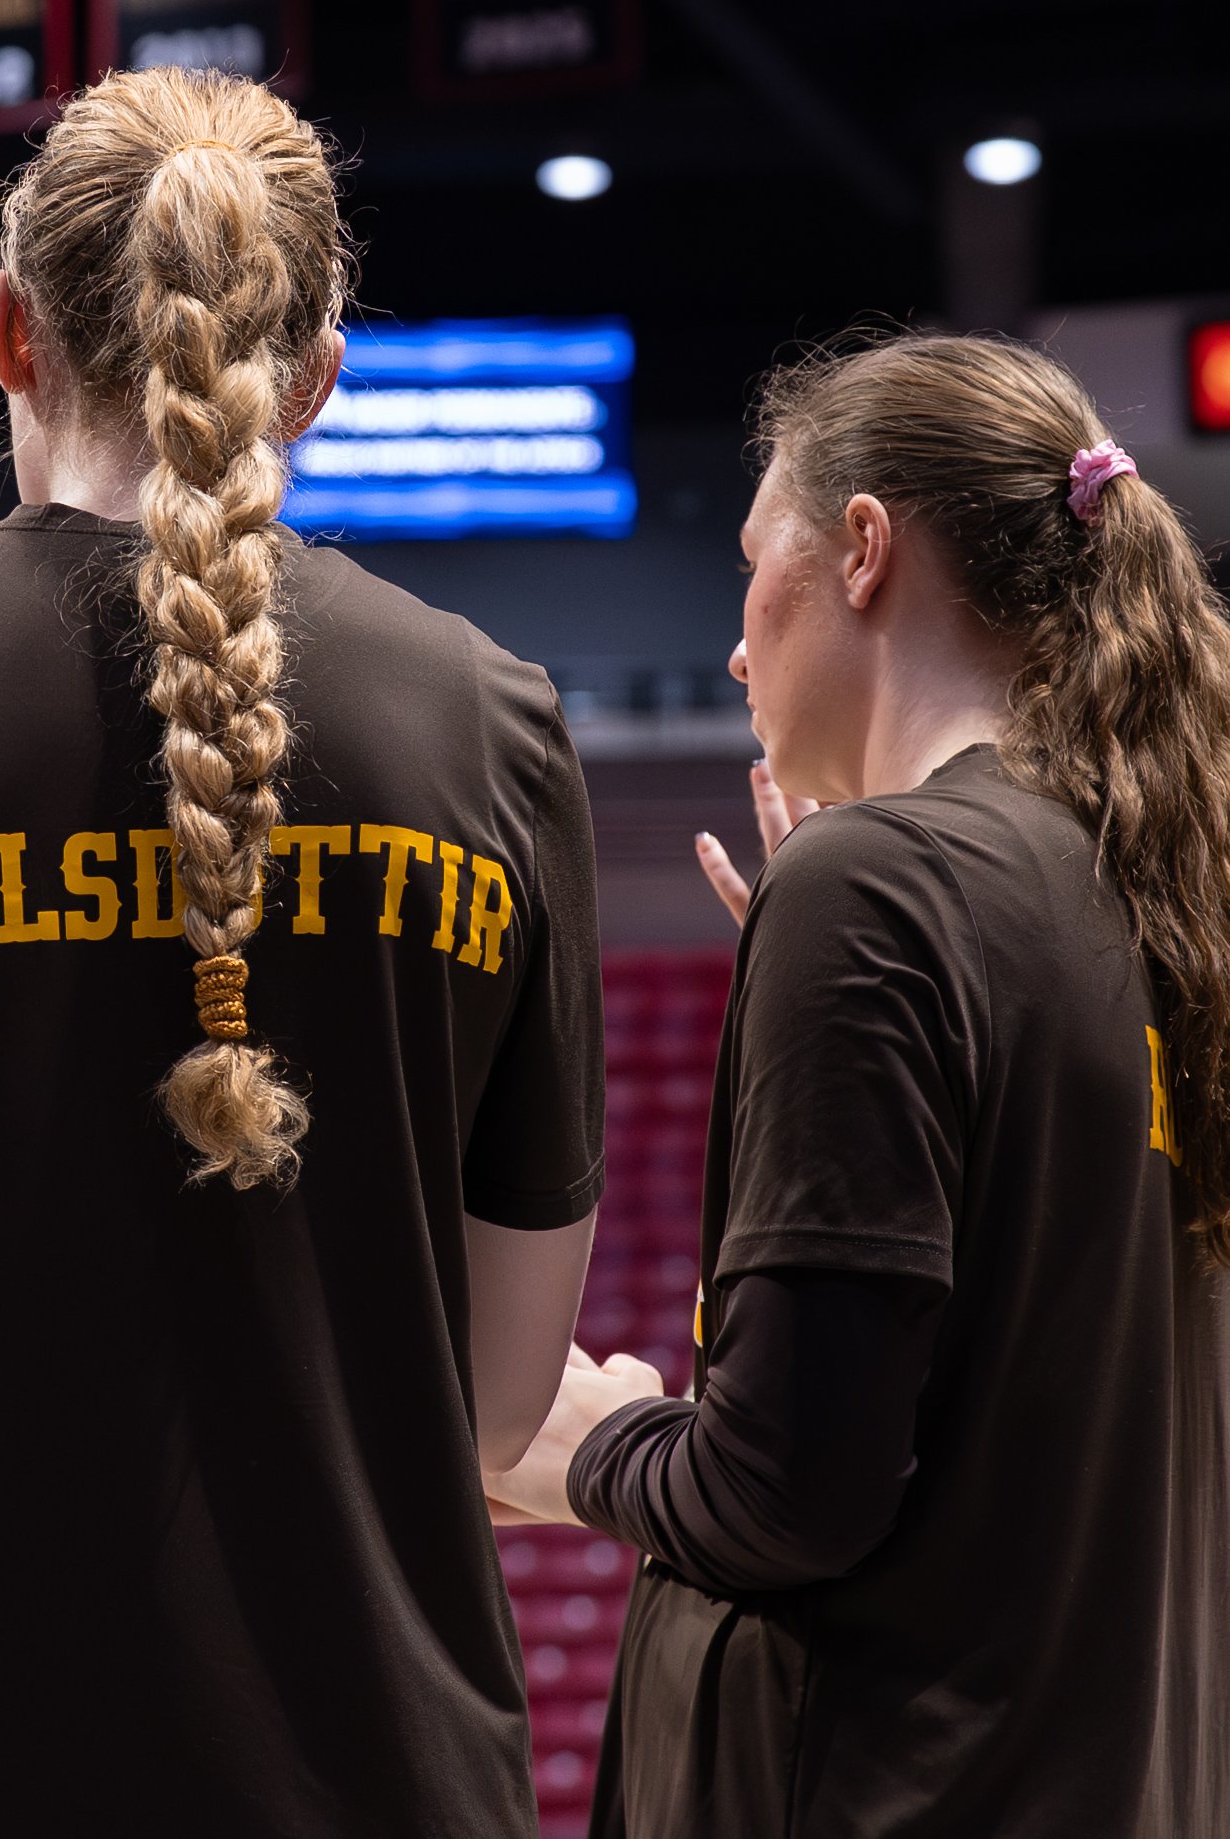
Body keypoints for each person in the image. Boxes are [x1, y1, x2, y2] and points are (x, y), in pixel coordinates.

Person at [0, 65, 608, 1839]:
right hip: (372, 1764)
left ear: (10, 331)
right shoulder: (493, 716)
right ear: (319, 369)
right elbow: (496, 1398)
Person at [491, 332, 1230, 1839]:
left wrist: (584, 1445)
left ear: (863, 551)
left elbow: (785, 1493)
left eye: (753, 565)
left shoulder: (882, 890)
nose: (735, 648)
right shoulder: (1149, 892)